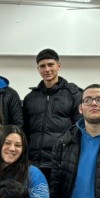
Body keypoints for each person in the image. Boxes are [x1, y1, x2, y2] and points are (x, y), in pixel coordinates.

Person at [21, 48, 82, 182]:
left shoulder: (74, 94)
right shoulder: (30, 98)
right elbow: (24, 131)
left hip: (61, 163)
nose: (47, 69)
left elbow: (79, 129)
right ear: (38, 69)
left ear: (58, 66)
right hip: (34, 164)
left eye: (50, 65)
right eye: (42, 66)